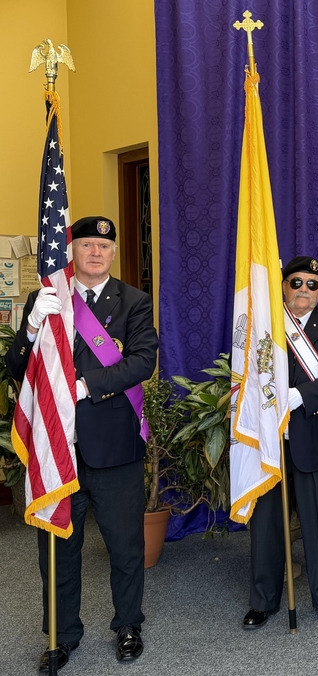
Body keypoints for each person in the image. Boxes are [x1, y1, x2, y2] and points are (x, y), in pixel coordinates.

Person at [6, 216, 158, 671]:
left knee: (126, 546)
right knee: (57, 548)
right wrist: (32, 328)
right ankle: (60, 635)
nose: (95, 253)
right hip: (58, 449)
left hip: (114, 449)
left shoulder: (134, 301)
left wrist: (86, 385)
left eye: (103, 247)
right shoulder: (46, 298)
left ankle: (128, 625)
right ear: (72, 250)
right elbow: (17, 367)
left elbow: (142, 362)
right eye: (87, 244)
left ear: (113, 253)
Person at [242, 255, 318, 630]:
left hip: (316, 437)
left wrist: (300, 396)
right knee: (267, 525)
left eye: (313, 284)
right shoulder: (265, 326)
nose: (304, 290)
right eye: (297, 282)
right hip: (270, 442)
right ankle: (263, 600)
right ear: (283, 286)